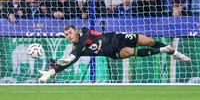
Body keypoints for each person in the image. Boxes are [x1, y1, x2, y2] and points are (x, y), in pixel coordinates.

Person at [38, 25, 190, 83]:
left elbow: (77, 49)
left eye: (69, 32)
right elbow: (69, 62)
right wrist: (52, 71)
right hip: (113, 52)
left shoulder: (84, 31)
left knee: (149, 41)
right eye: (66, 35)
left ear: (75, 31)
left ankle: (174, 52)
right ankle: (165, 50)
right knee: (131, 52)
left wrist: (74, 52)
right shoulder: (78, 49)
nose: (68, 36)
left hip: (118, 37)